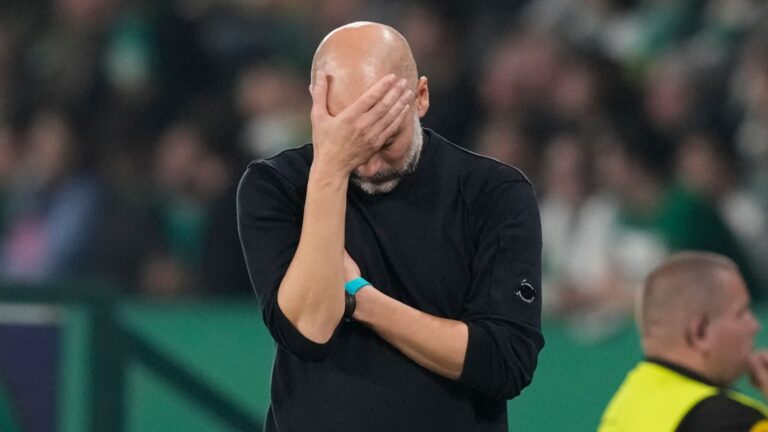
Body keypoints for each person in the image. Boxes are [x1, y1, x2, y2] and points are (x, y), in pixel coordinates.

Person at [237, 22, 543, 431]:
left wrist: (360, 298)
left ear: (420, 97)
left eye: (383, 138)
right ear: (318, 107)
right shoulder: (276, 186)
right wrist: (330, 168)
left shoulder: (494, 193)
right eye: (350, 134)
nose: (368, 162)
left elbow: (505, 362)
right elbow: (307, 331)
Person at [598, 251, 768, 431]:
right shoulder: (732, 421)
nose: (754, 326)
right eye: (741, 314)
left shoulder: (625, 409)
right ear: (699, 333)